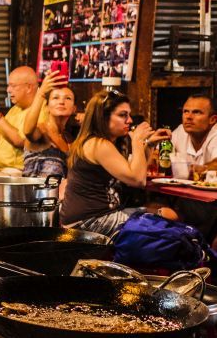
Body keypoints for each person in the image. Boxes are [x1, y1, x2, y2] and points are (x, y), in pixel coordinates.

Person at [60, 90, 171, 236]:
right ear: (103, 118)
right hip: (88, 222)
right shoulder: (99, 144)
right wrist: (137, 140)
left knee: (165, 212)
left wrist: (149, 144)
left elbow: (133, 173)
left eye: (128, 115)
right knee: (167, 221)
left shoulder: (99, 142)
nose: (130, 120)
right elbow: (137, 180)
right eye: (122, 115)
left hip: (93, 218)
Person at [0, 66, 40, 176]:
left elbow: (20, 141)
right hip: (0, 171)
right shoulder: (15, 108)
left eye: (13, 86)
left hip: (18, 173)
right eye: (8, 85)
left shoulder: (39, 109)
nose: (8, 90)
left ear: (29, 87)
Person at [22, 69, 77, 178]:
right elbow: (28, 131)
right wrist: (41, 93)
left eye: (68, 98)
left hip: (60, 194)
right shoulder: (41, 130)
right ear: (47, 107)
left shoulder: (69, 138)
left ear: (74, 109)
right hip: (35, 194)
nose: (61, 102)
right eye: (55, 98)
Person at [170, 94, 217, 178]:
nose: (188, 117)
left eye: (197, 112)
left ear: (212, 120)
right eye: (185, 111)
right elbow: (158, 155)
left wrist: (201, 169)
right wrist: (150, 145)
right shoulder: (180, 132)